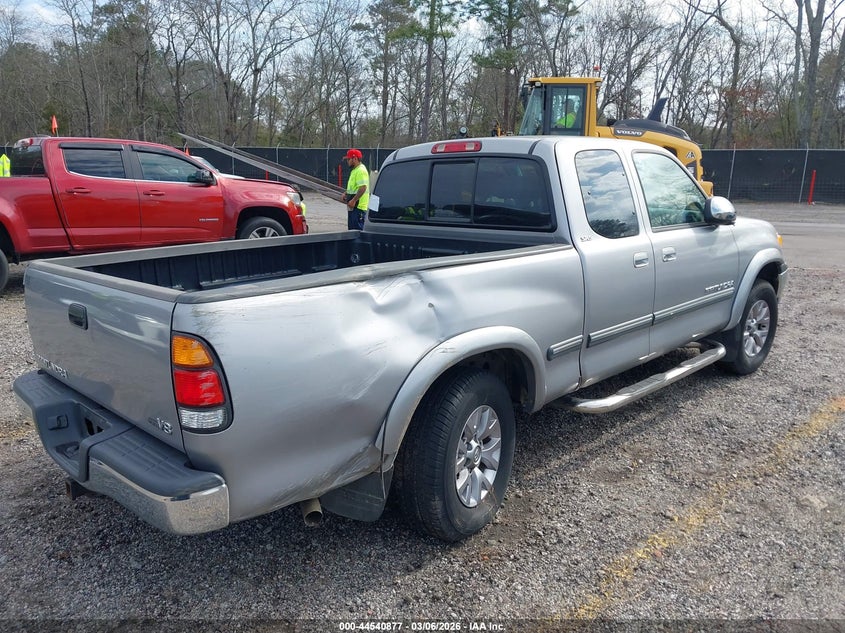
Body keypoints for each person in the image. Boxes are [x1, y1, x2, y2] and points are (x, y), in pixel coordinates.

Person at [341, 148, 369, 230]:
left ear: (355, 158)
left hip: (358, 207)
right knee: (352, 231)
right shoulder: (355, 170)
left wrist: (354, 200)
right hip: (354, 207)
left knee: (356, 232)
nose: (347, 161)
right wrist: (345, 193)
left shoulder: (360, 170)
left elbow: (363, 187)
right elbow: (354, 187)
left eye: (349, 159)